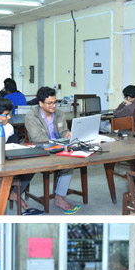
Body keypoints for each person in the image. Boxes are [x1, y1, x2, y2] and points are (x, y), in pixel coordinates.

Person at [24, 86, 81, 214]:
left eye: (55, 102)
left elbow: (64, 131)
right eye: (50, 103)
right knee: (66, 161)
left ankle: (59, 197)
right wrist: (58, 143)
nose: (54, 106)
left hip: (59, 149)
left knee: (70, 162)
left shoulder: (60, 114)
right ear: (40, 103)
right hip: (41, 150)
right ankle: (60, 198)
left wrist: (67, 135)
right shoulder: (31, 116)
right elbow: (38, 139)